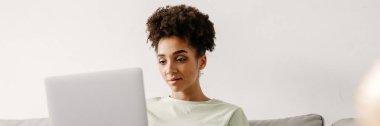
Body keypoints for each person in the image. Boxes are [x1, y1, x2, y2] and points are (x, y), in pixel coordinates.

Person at [145, 4, 250, 126]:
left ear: (202, 61)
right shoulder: (145, 111)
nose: (169, 69)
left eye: (180, 59)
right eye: (162, 61)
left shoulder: (229, 115)